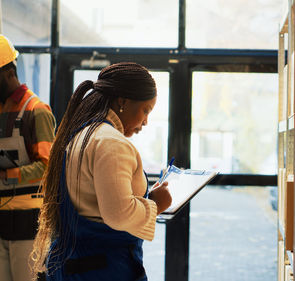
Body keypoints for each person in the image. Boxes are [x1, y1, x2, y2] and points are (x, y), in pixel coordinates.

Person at [31, 62, 172, 281]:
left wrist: (144, 198)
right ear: (123, 101)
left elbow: (96, 202)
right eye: (146, 110)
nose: (146, 121)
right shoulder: (111, 142)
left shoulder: (81, 134)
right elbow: (118, 214)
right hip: (103, 268)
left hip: (74, 265)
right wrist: (156, 205)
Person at [0, 35, 56, 281]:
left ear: (9, 72)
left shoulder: (37, 111)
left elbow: (47, 167)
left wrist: (8, 176)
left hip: (29, 222)